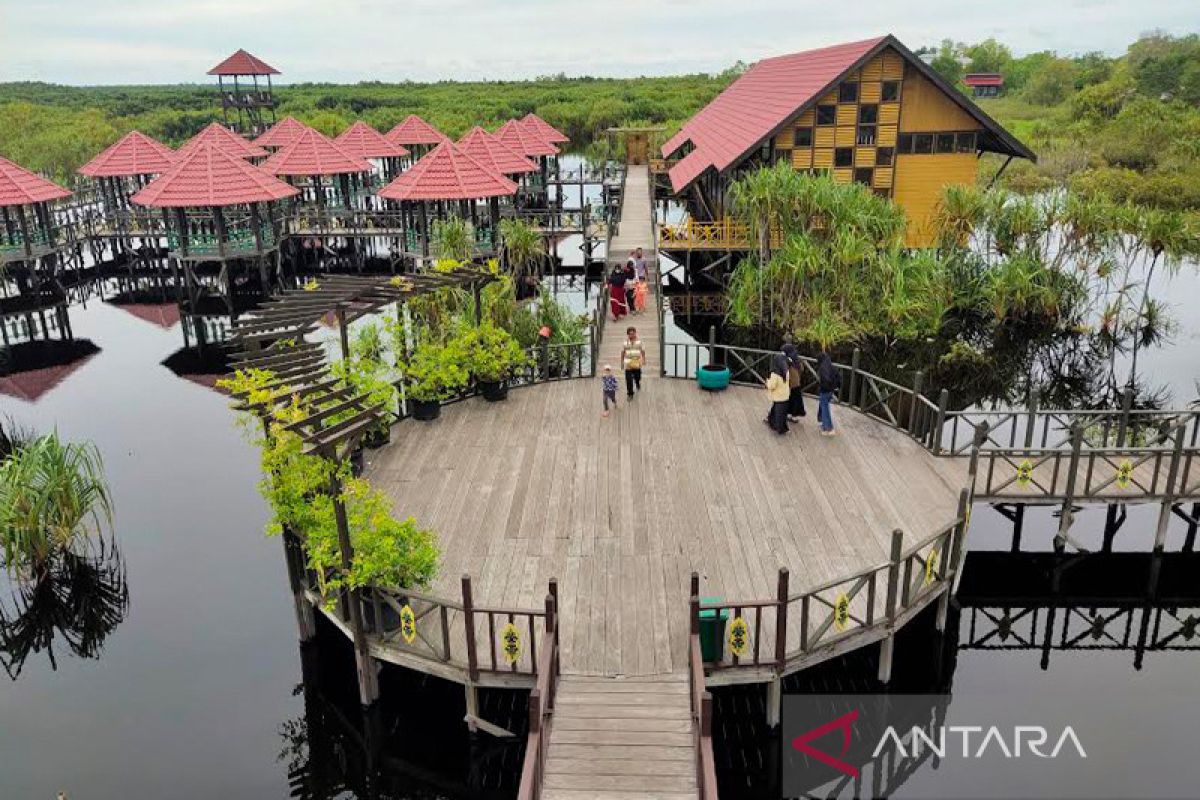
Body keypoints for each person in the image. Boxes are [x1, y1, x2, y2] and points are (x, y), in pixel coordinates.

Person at [764, 353, 791, 434]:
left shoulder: (775, 374)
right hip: (785, 395)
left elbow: (772, 386)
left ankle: (780, 428)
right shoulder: (786, 371)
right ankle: (771, 421)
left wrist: (767, 382)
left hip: (778, 396)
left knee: (779, 413)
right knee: (780, 412)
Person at [781, 336, 807, 422]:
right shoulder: (796, 358)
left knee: (793, 400)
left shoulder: (789, 360)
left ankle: (792, 415)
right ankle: (791, 415)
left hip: (792, 383)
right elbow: (802, 369)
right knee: (794, 399)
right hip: (795, 382)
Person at [817, 351, 841, 436]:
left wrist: (824, 387)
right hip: (831, 391)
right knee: (824, 407)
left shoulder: (823, 369)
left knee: (825, 409)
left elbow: (825, 380)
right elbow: (838, 377)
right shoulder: (832, 367)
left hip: (825, 391)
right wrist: (836, 386)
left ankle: (829, 428)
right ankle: (823, 424)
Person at [622, 327, 646, 398]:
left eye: (633, 334)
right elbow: (623, 352)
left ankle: (637, 382)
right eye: (630, 334)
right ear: (628, 335)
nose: (632, 335)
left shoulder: (640, 341)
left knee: (637, 376)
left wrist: (644, 359)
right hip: (628, 362)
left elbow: (642, 351)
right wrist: (621, 362)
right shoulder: (625, 342)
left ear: (635, 333)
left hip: (636, 362)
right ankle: (630, 393)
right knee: (628, 379)